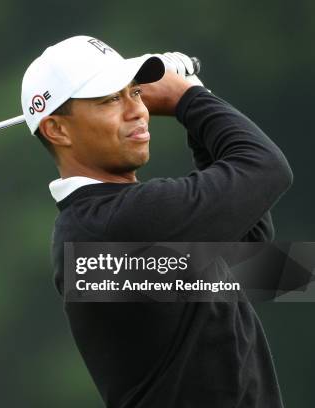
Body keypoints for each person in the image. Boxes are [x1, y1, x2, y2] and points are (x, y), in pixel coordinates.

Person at [21, 35, 293, 407]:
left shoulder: (93, 229)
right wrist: (190, 99)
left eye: (135, 92)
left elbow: (251, 241)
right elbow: (266, 168)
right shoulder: (120, 225)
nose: (137, 110)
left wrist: (197, 101)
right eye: (109, 99)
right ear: (57, 129)